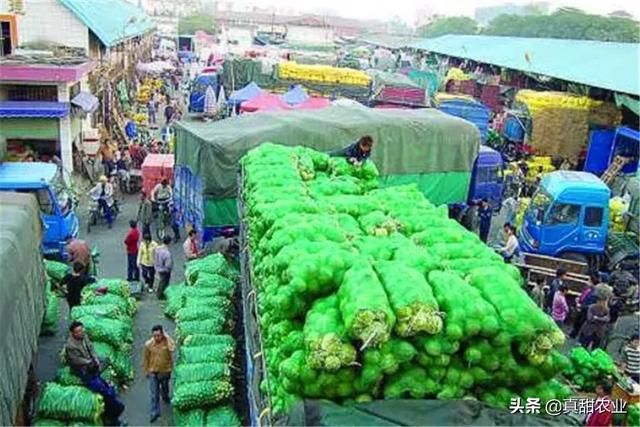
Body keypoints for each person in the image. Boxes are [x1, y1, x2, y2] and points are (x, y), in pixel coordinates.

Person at [64, 321, 125, 425]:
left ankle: (112, 411)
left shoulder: (84, 336)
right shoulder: (71, 346)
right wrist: (90, 362)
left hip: (91, 364)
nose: (80, 333)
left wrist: (95, 358)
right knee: (104, 392)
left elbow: (91, 348)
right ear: (73, 333)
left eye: (81, 330)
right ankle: (113, 418)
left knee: (105, 362)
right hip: (82, 369)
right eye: (77, 332)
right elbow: (76, 360)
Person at [143, 325, 176, 423]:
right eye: (154, 336)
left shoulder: (167, 342)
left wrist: (167, 336)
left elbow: (173, 348)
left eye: (158, 335)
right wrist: (146, 371)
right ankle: (155, 411)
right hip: (153, 371)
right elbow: (145, 359)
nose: (156, 338)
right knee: (154, 393)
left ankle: (165, 396)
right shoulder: (148, 344)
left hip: (165, 371)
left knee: (165, 387)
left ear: (162, 334)